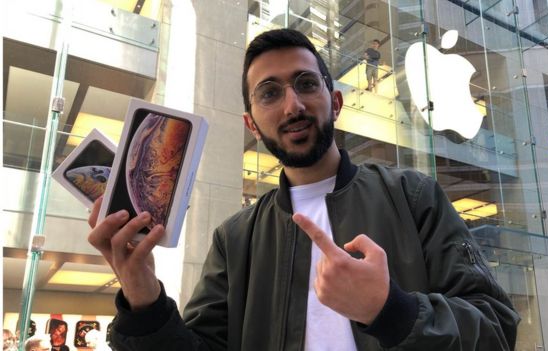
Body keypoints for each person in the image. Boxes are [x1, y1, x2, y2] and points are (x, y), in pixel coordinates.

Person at [87, 28, 519, 350]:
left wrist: (391, 310)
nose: (293, 104)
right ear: (252, 125)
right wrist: (143, 299)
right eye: (269, 93)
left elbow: (498, 328)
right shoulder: (235, 239)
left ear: (335, 101)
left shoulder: (413, 195)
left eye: (306, 84)